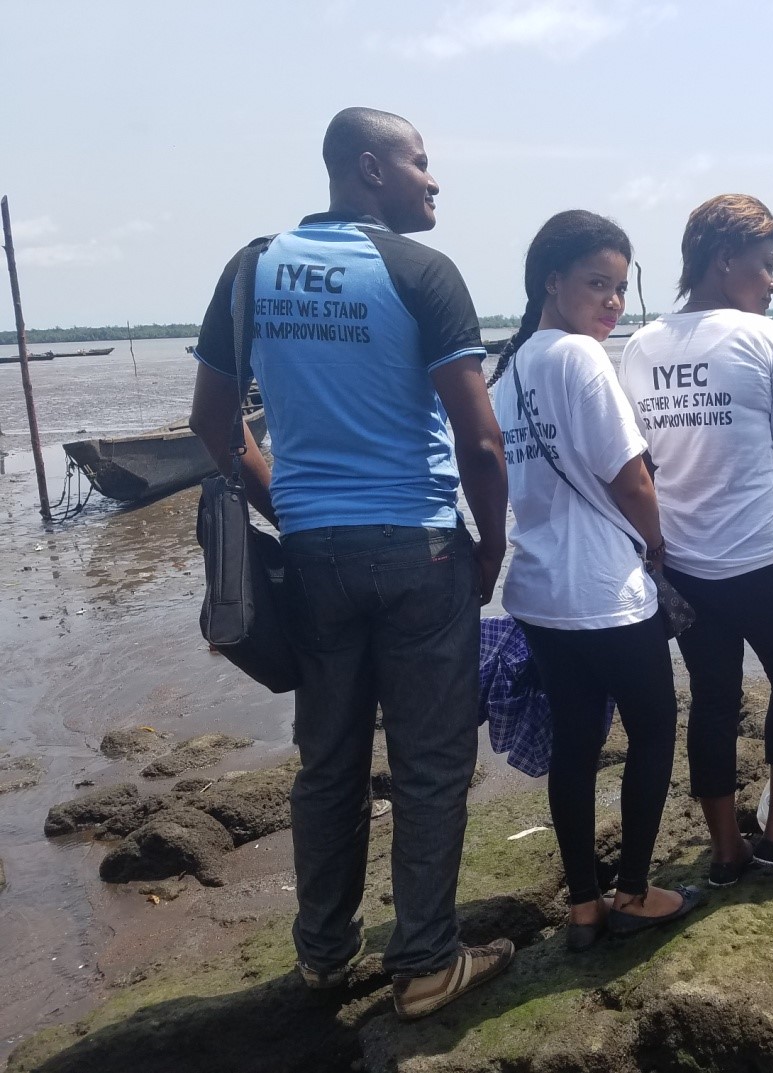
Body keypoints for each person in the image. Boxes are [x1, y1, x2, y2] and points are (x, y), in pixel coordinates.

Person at [189, 107, 513, 1019]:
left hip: (316, 556)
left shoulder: (251, 268)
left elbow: (215, 428)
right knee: (431, 759)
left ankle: (325, 955)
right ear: (369, 168)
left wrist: (287, 504)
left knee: (327, 759)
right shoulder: (421, 272)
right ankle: (422, 964)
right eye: (420, 162)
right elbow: (481, 442)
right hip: (418, 546)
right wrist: (489, 549)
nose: (433, 179)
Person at [485, 210, 700, 949]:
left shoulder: (510, 370)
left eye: (619, 287)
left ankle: (583, 905)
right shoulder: (580, 360)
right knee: (654, 731)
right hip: (606, 592)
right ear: (552, 280)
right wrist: (661, 542)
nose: (611, 302)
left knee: (576, 745)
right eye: (595, 284)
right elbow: (632, 479)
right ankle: (634, 891)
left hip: (539, 591)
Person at [619, 193, 773, 884]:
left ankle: (725, 847)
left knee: (713, 697)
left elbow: (642, 468)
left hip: (684, 565)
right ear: (724, 259)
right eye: (766, 265)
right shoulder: (762, 339)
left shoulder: (641, 345)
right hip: (764, 561)